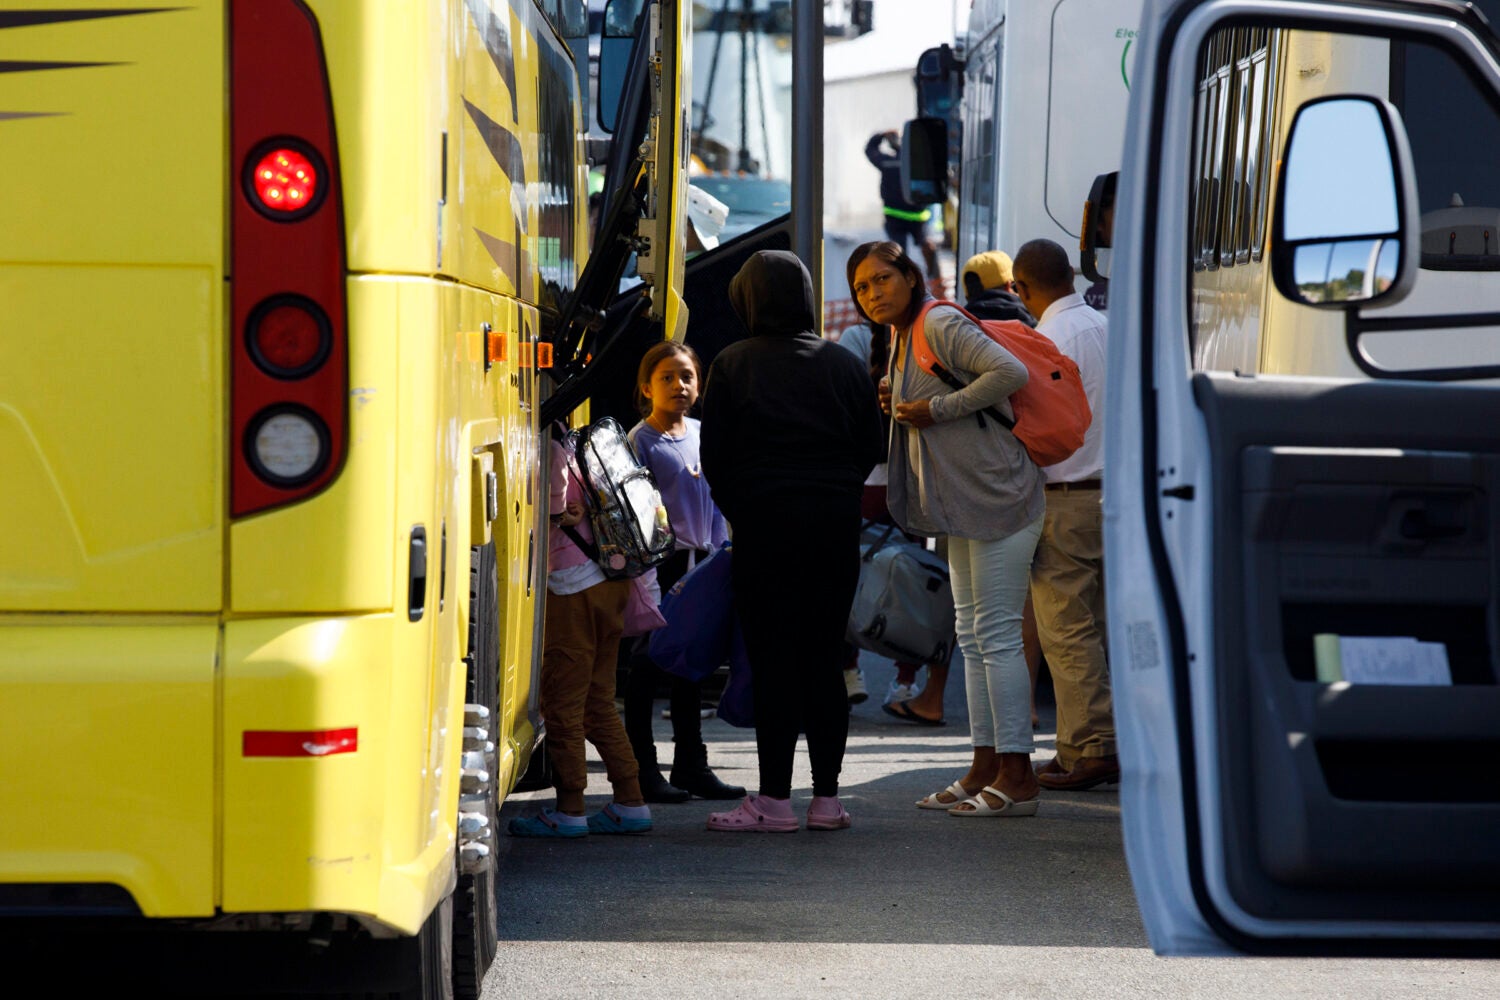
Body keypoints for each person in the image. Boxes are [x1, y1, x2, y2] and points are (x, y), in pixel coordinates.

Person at [848, 240, 1045, 818]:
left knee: (998, 635)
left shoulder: (935, 320)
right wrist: (899, 397)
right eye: (861, 287)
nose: (872, 294)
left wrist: (937, 410)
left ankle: (1019, 775)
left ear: (910, 276)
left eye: (882, 279)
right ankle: (986, 765)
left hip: (1001, 497)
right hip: (962, 504)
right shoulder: (902, 334)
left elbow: (1009, 371)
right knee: (975, 635)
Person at [699, 250, 884, 832]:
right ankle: (827, 800)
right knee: (824, 659)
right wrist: (831, 495)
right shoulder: (844, 364)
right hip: (832, 527)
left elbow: (716, 459)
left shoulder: (733, 363)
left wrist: (747, 512)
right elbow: (868, 449)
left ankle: (774, 801)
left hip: (763, 527)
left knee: (773, 658)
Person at [1010, 238, 1118, 791]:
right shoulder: (1108, 327)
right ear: (1073, 274)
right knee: (1099, 625)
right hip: (1115, 495)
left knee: (1067, 629)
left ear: (1021, 289)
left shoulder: (1041, 341)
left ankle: (1092, 748)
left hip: (1065, 496)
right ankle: (1080, 745)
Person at [508, 425, 652, 838]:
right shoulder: (579, 445)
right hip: (611, 581)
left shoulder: (550, 450)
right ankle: (630, 800)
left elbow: (551, 515)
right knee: (598, 702)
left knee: (563, 705)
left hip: (572, 588)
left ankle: (570, 808)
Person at [622, 341, 745, 803]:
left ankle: (692, 765)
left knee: (691, 665)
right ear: (646, 386)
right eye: (668, 377)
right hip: (661, 565)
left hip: (706, 561)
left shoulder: (702, 431)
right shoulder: (640, 440)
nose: (679, 385)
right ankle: (641, 768)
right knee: (645, 666)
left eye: (688, 376)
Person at [836, 319, 951, 712]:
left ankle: (850, 672)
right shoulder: (925, 338)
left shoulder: (852, 337)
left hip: (864, 478)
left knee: (851, 579)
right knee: (913, 583)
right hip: (911, 479)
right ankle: (905, 681)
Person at [865, 130, 942, 288]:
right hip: (918, 217)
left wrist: (882, 135)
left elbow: (870, 150)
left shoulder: (887, 162)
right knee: (927, 246)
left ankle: (904, 284)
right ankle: (937, 281)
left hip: (895, 217)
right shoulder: (920, 162)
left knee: (898, 253)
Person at [960, 251, 1036, 326]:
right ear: (1008, 286)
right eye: (1015, 287)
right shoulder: (1035, 326)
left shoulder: (957, 328)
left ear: (967, 296)